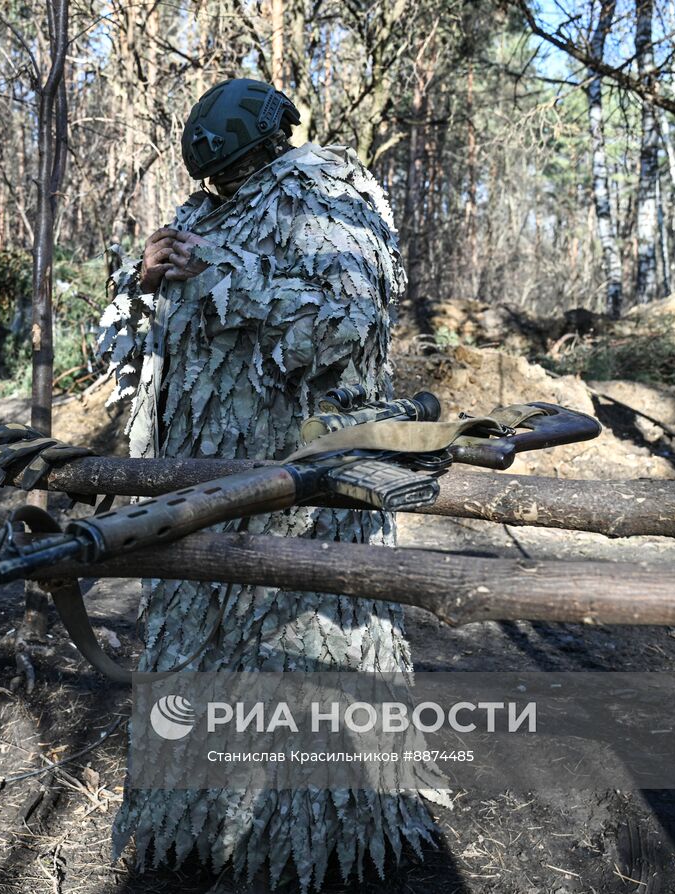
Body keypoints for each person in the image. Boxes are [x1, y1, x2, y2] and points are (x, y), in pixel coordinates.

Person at [99, 78, 448, 891]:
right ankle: (193, 835)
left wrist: (229, 274)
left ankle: (309, 848)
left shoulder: (322, 186)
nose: (223, 179)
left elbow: (348, 325)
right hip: (189, 493)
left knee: (301, 669)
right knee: (195, 663)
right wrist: (138, 278)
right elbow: (118, 351)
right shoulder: (195, 214)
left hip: (299, 495)